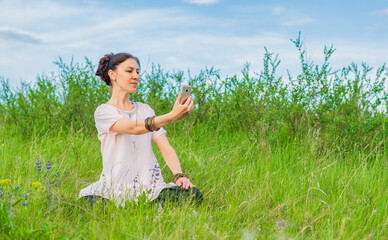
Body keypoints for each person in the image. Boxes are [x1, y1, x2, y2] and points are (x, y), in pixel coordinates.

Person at [78, 53, 203, 207]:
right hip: (114, 188)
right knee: (89, 204)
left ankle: (146, 205)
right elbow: (133, 127)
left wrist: (179, 176)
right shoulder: (104, 111)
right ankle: (141, 207)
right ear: (112, 74)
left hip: (150, 188)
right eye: (129, 71)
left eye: (137, 72)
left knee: (193, 195)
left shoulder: (145, 109)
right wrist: (172, 116)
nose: (136, 76)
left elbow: (165, 147)